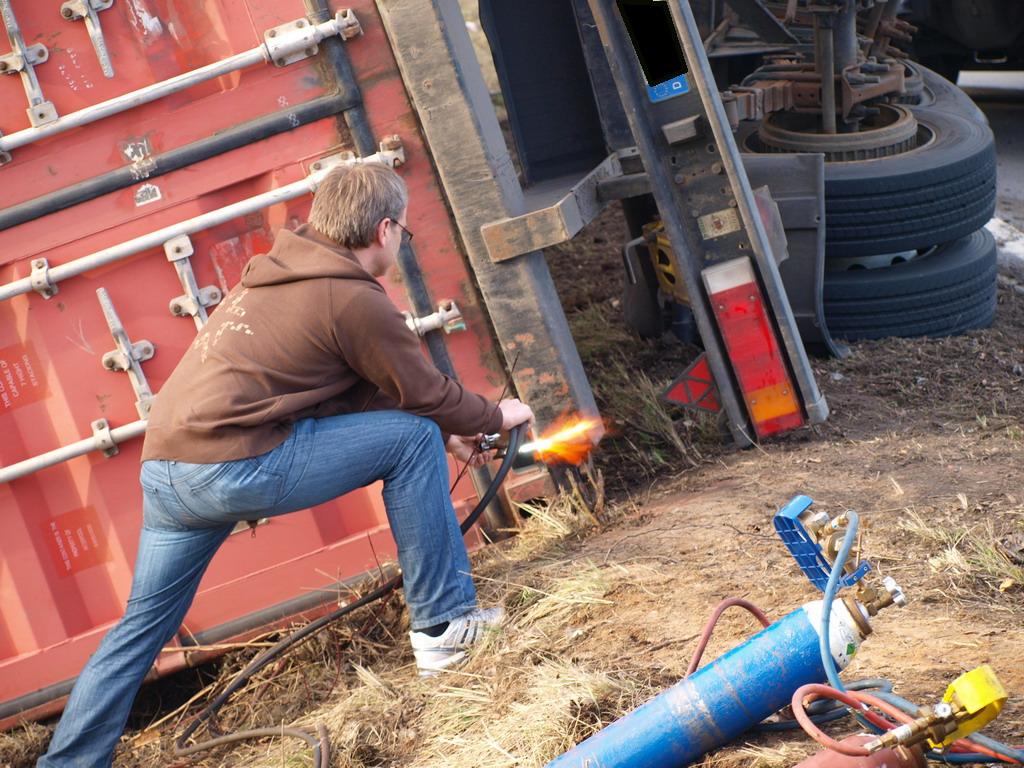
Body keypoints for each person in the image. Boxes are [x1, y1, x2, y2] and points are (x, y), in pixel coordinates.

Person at [38, 161, 535, 768]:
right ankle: (444, 629)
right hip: (230, 467)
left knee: (140, 628)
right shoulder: (355, 298)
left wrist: (447, 436)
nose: (401, 243)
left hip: (169, 469)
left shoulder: (280, 275)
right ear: (383, 230)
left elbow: (349, 381)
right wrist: (493, 414)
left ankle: (66, 764)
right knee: (410, 439)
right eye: (404, 233)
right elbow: (425, 395)